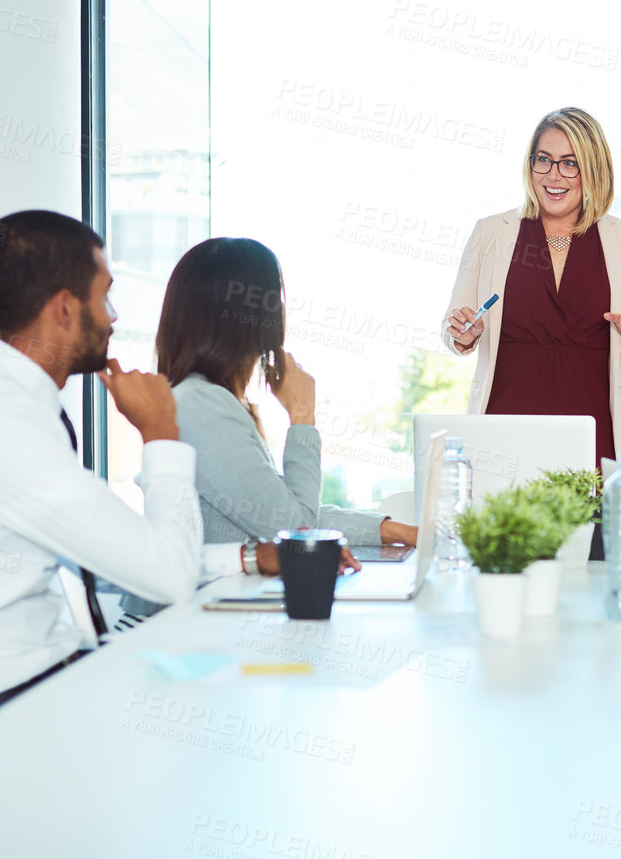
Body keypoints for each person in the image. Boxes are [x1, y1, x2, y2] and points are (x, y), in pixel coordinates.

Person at [0, 211, 292, 720]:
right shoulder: (4, 424)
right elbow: (164, 574)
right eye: (104, 296)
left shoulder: (6, 401)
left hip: (48, 676)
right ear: (63, 308)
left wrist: (250, 558)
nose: (113, 316)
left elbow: (120, 553)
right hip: (12, 702)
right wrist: (160, 433)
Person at [119, 238, 414, 620]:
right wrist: (303, 416)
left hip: (205, 616)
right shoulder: (202, 405)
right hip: (171, 630)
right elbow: (297, 531)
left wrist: (399, 532)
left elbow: (285, 512)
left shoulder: (210, 399)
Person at [440, 107, 621, 466]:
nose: (553, 175)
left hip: (591, 431)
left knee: (588, 522)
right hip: (504, 427)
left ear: (593, 170)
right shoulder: (491, 232)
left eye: (570, 163)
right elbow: (452, 330)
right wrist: (463, 333)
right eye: (543, 160)